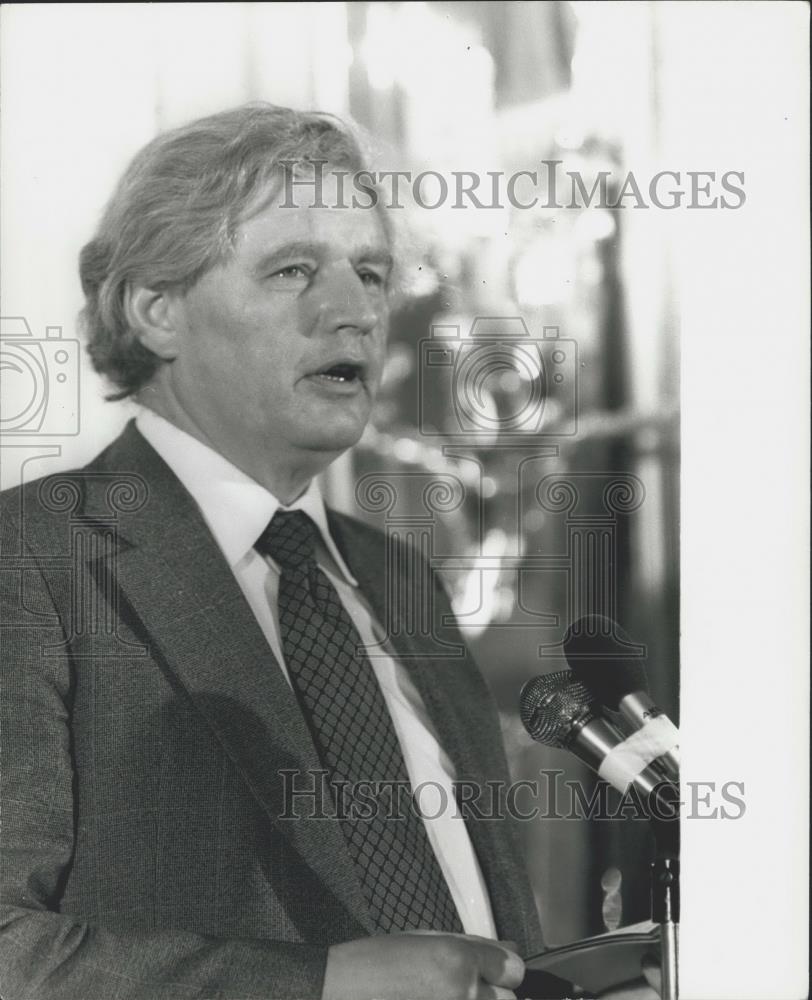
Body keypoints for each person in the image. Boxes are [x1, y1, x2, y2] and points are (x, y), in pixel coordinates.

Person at [0, 104, 657, 1000]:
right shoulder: (32, 559)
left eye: (372, 273)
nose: (353, 312)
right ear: (156, 309)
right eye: (293, 269)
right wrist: (319, 986)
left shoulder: (398, 580)